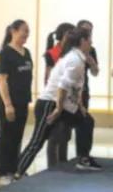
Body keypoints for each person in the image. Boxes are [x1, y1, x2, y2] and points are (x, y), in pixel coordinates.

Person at [16, 27, 97, 177]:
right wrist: (58, 109)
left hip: (63, 104)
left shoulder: (77, 57)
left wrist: (80, 106)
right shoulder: (74, 59)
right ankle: (17, 173)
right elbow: (63, 86)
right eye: (89, 39)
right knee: (38, 141)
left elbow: (75, 87)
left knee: (86, 121)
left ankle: (83, 159)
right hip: (50, 104)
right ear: (82, 41)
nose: (91, 42)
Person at [0, 20, 33, 184]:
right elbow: (2, 80)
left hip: (23, 101)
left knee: (17, 136)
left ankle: (15, 169)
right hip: (9, 102)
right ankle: (2, 171)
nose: (26, 34)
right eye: (24, 30)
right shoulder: (6, 53)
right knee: (7, 137)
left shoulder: (27, 52)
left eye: (28, 31)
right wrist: (8, 105)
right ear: (13, 31)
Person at [42, 22, 75, 167]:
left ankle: (63, 162)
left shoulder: (72, 52)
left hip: (68, 97)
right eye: (70, 34)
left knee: (66, 133)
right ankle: (52, 166)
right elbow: (48, 76)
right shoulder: (52, 53)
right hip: (54, 97)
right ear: (63, 35)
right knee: (54, 135)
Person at [72, 19, 103, 171]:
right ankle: (64, 158)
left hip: (83, 91)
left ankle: (83, 155)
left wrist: (92, 63)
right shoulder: (71, 50)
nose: (88, 35)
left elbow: (95, 72)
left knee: (84, 123)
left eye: (90, 32)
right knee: (68, 127)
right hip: (69, 91)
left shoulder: (91, 50)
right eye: (85, 31)